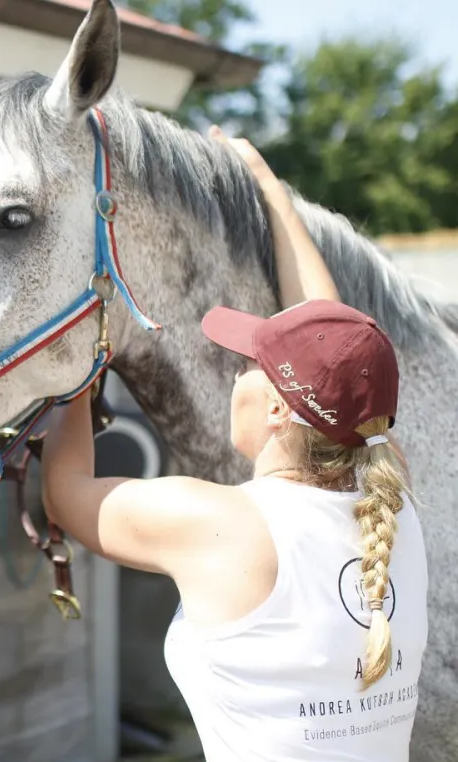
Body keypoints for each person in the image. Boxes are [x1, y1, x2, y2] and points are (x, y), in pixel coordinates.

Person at [40, 130, 427, 761]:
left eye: (247, 364)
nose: (236, 375)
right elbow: (335, 344)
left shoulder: (221, 524)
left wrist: (78, 363)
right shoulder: (394, 496)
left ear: (277, 407)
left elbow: (67, 494)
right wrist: (272, 194)